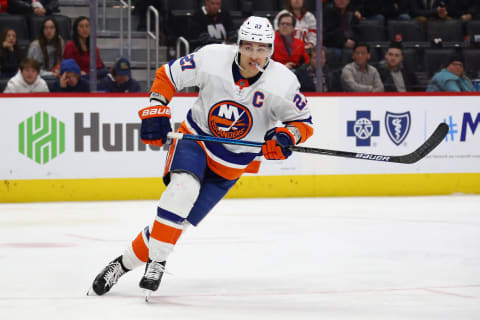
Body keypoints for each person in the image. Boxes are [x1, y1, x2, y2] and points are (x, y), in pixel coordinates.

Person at [87, 16, 314, 300]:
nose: (254, 55)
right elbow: (167, 75)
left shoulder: (282, 82)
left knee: (173, 224)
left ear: (270, 50)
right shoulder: (212, 58)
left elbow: (303, 122)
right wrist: (157, 108)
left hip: (231, 167)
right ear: (238, 45)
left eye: (261, 49)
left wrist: (286, 137)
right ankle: (157, 262)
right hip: (196, 141)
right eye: (249, 47)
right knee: (183, 189)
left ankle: (119, 266)